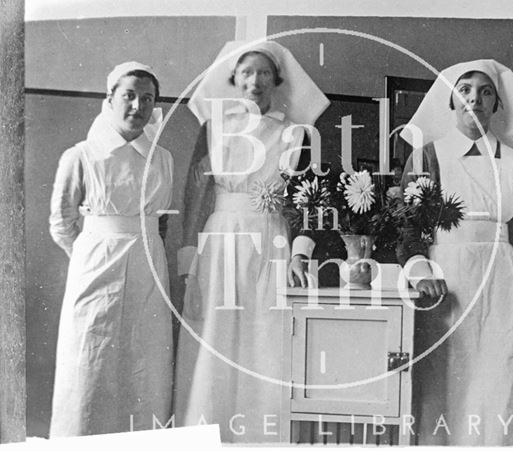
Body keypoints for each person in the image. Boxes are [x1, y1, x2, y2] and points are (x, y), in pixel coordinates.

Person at [174, 40, 329, 443]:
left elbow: (308, 199)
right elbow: (196, 196)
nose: (255, 81)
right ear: (234, 80)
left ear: (277, 81)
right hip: (220, 239)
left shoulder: (294, 134)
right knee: (214, 338)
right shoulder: (214, 128)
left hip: (271, 240)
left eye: (263, 73)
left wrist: (300, 255)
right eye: (246, 72)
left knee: (265, 340)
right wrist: (188, 262)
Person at [397, 60, 513, 446]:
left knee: (502, 380)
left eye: (486, 92)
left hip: (503, 282)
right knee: (447, 382)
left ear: (497, 104)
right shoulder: (427, 157)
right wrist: (420, 270)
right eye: (465, 90)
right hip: (447, 283)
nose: (475, 99)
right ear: (450, 100)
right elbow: (406, 228)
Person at [48, 62, 173, 436]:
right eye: (129, 96)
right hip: (95, 270)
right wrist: (94, 254)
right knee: (91, 363)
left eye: (147, 99)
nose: (138, 106)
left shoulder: (162, 158)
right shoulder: (81, 155)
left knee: (144, 366)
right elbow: (61, 222)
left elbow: (161, 220)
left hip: (149, 271)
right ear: (110, 98)